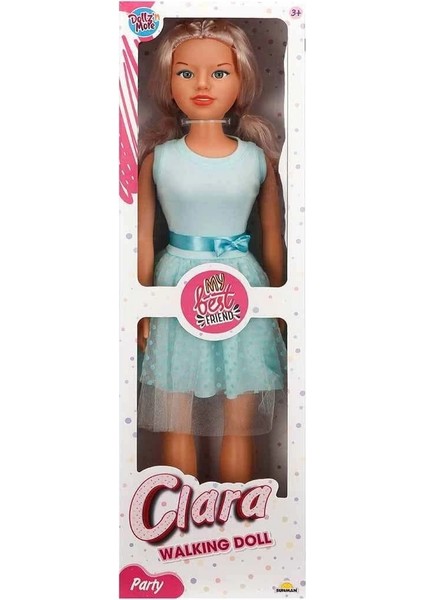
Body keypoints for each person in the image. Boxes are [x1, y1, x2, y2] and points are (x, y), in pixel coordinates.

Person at [137, 19, 286, 483]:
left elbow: (273, 235)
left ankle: (240, 514)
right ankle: (182, 512)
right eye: (186, 73)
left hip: (243, 286)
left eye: (219, 73)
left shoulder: (256, 158)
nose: (202, 85)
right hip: (175, 286)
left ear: (242, 80)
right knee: (175, 415)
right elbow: (142, 238)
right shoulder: (159, 158)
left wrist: (282, 302)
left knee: (240, 420)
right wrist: (142, 305)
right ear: (168, 81)